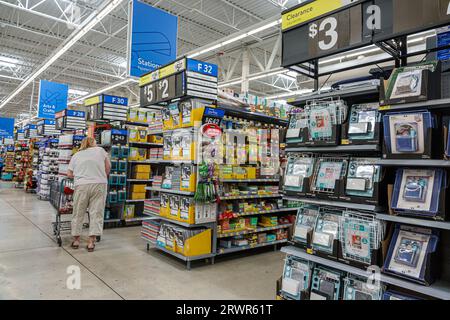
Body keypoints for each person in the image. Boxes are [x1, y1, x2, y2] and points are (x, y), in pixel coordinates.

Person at [67, 137, 110, 252]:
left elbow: (69, 174)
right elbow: (108, 168)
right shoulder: (101, 151)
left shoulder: (76, 155)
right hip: (99, 184)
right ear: (93, 143)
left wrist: (81, 175)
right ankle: (91, 242)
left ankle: (76, 240)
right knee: (96, 213)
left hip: (81, 185)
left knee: (78, 212)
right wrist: (99, 175)